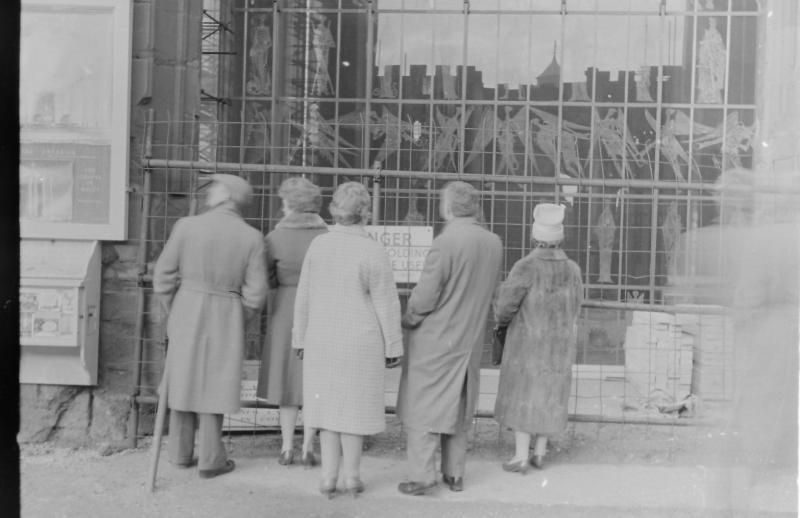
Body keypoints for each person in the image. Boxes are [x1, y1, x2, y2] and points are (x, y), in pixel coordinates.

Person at [292, 181, 403, 498]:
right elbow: (386, 302)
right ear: (366, 212)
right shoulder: (372, 250)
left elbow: (304, 297)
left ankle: (328, 478)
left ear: (334, 210)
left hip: (321, 338)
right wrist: (393, 345)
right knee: (353, 412)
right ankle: (352, 477)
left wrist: (300, 337)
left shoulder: (318, 246)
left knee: (326, 410)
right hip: (360, 341)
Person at [153, 174, 268, 479]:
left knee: (182, 376)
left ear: (228, 195)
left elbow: (163, 276)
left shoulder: (187, 226)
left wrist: (173, 308)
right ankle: (211, 458)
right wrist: (236, 317)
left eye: (215, 188)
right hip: (226, 313)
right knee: (215, 381)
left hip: (187, 308)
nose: (209, 192)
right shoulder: (251, 236)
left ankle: (178, 453)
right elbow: (256, 295)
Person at [396, 181, 503, 495]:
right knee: (459, 403)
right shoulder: (493, 242)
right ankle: (454, 474)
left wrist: (409, 319)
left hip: (435, 337)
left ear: (449, 207)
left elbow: (425, 296)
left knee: (423, 406)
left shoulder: (445, 243)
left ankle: (421, 476)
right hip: (469, 338)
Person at [493, 203, 583, 473]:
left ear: (534, 236)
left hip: (526, 343)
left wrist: (502, 323)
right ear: (560, 238)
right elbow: (577, 304)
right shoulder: (573, 269)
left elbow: (506, 306)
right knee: (549, 393)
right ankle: (540, 453)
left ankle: (520, 456)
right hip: (559, 344)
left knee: (524, 392)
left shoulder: (525, 266)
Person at [256, 177, 327, 467]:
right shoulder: (327, 236)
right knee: (314, 380)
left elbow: (266, 278)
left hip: (285, 309)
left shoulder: (274, 238)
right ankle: (309, 445)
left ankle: (286, 447)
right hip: (320, 308)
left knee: (287, 380)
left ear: (289, 204)